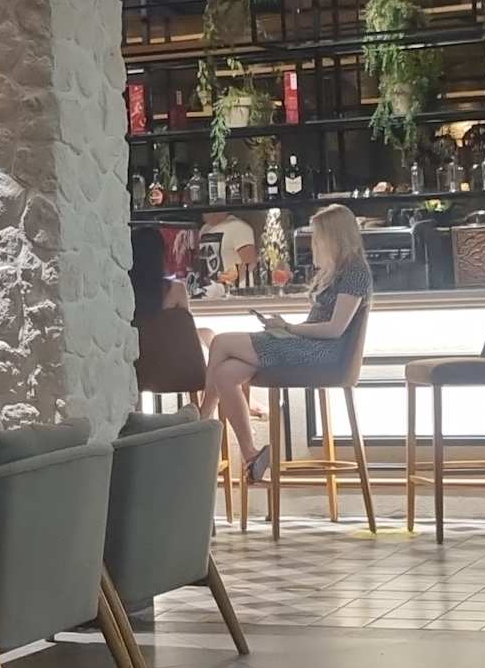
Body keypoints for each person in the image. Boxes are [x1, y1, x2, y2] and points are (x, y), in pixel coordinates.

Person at [202, 204, 372, 484]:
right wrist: (286, 329)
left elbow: (335, 329)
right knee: (225, 373)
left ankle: (202, 424)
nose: (313, 242)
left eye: (318, 236)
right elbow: (322, 324)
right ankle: (251, 454)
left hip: (323, 354)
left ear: (334, 237)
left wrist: (288, 328)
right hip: (307, 345)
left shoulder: (355, 272)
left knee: (220, 342)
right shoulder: (337, 271)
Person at [129, 224, 206, 399]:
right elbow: (186, 335)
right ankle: (200, 409)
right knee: (209, 336)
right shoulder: (176, 290)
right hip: (182, 371)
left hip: (141, 373)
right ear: (161, 255)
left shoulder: (125, 294)